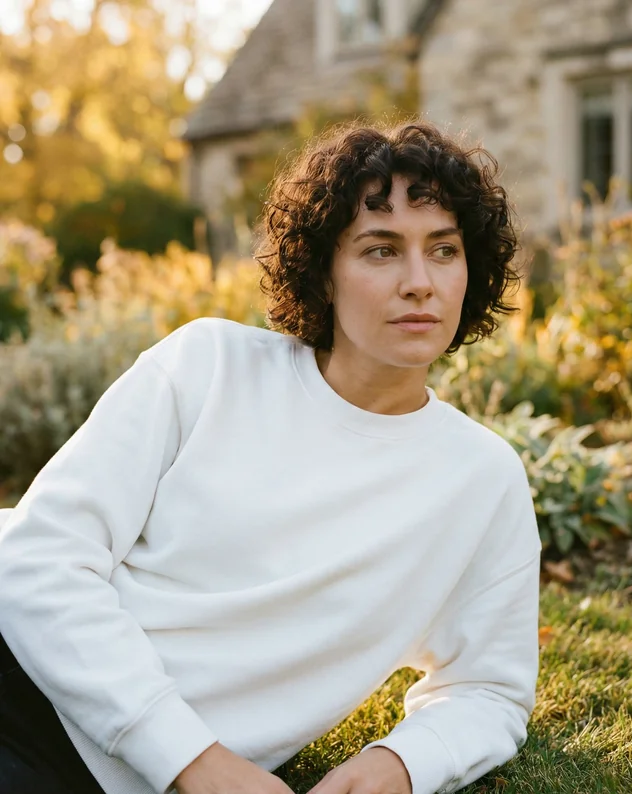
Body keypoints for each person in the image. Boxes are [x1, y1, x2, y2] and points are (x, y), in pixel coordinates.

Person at [0, 119, 542, 794]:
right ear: (324, 273)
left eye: (443, 250)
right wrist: (194, 760)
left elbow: (490, 690)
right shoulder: (207, 366)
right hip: (22, 668)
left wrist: (402, 763)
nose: (418, 282)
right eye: (380, 250)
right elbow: (37, 558)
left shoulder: (482, 479)